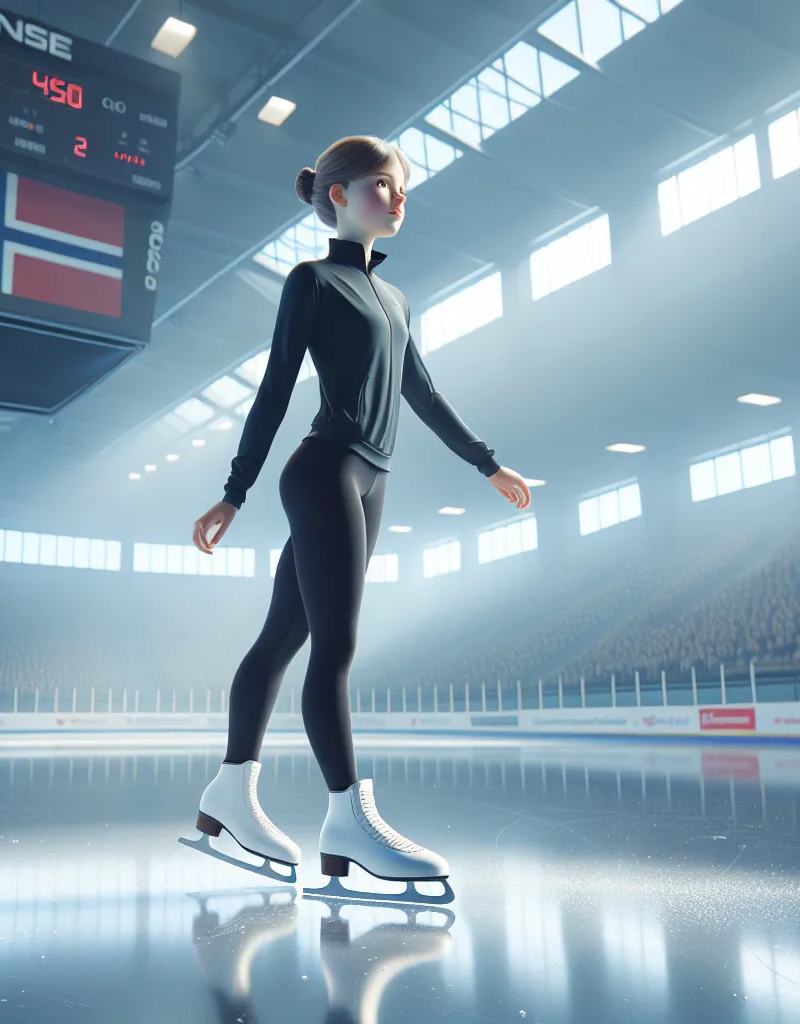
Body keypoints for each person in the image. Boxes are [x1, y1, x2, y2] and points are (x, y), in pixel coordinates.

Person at [180, 136, 533, 904]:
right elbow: (275, 388)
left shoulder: (398, 301)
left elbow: (424, 395)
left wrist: (488, 462)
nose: (399, 197)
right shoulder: (311, 283)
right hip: (325, 471)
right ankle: (347, 819)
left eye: (402, 187)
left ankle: (227, 791)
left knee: (282, 636)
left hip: (373, 480)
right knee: (332, 649)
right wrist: (235, 491)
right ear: (338, 196)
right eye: (382, 184)